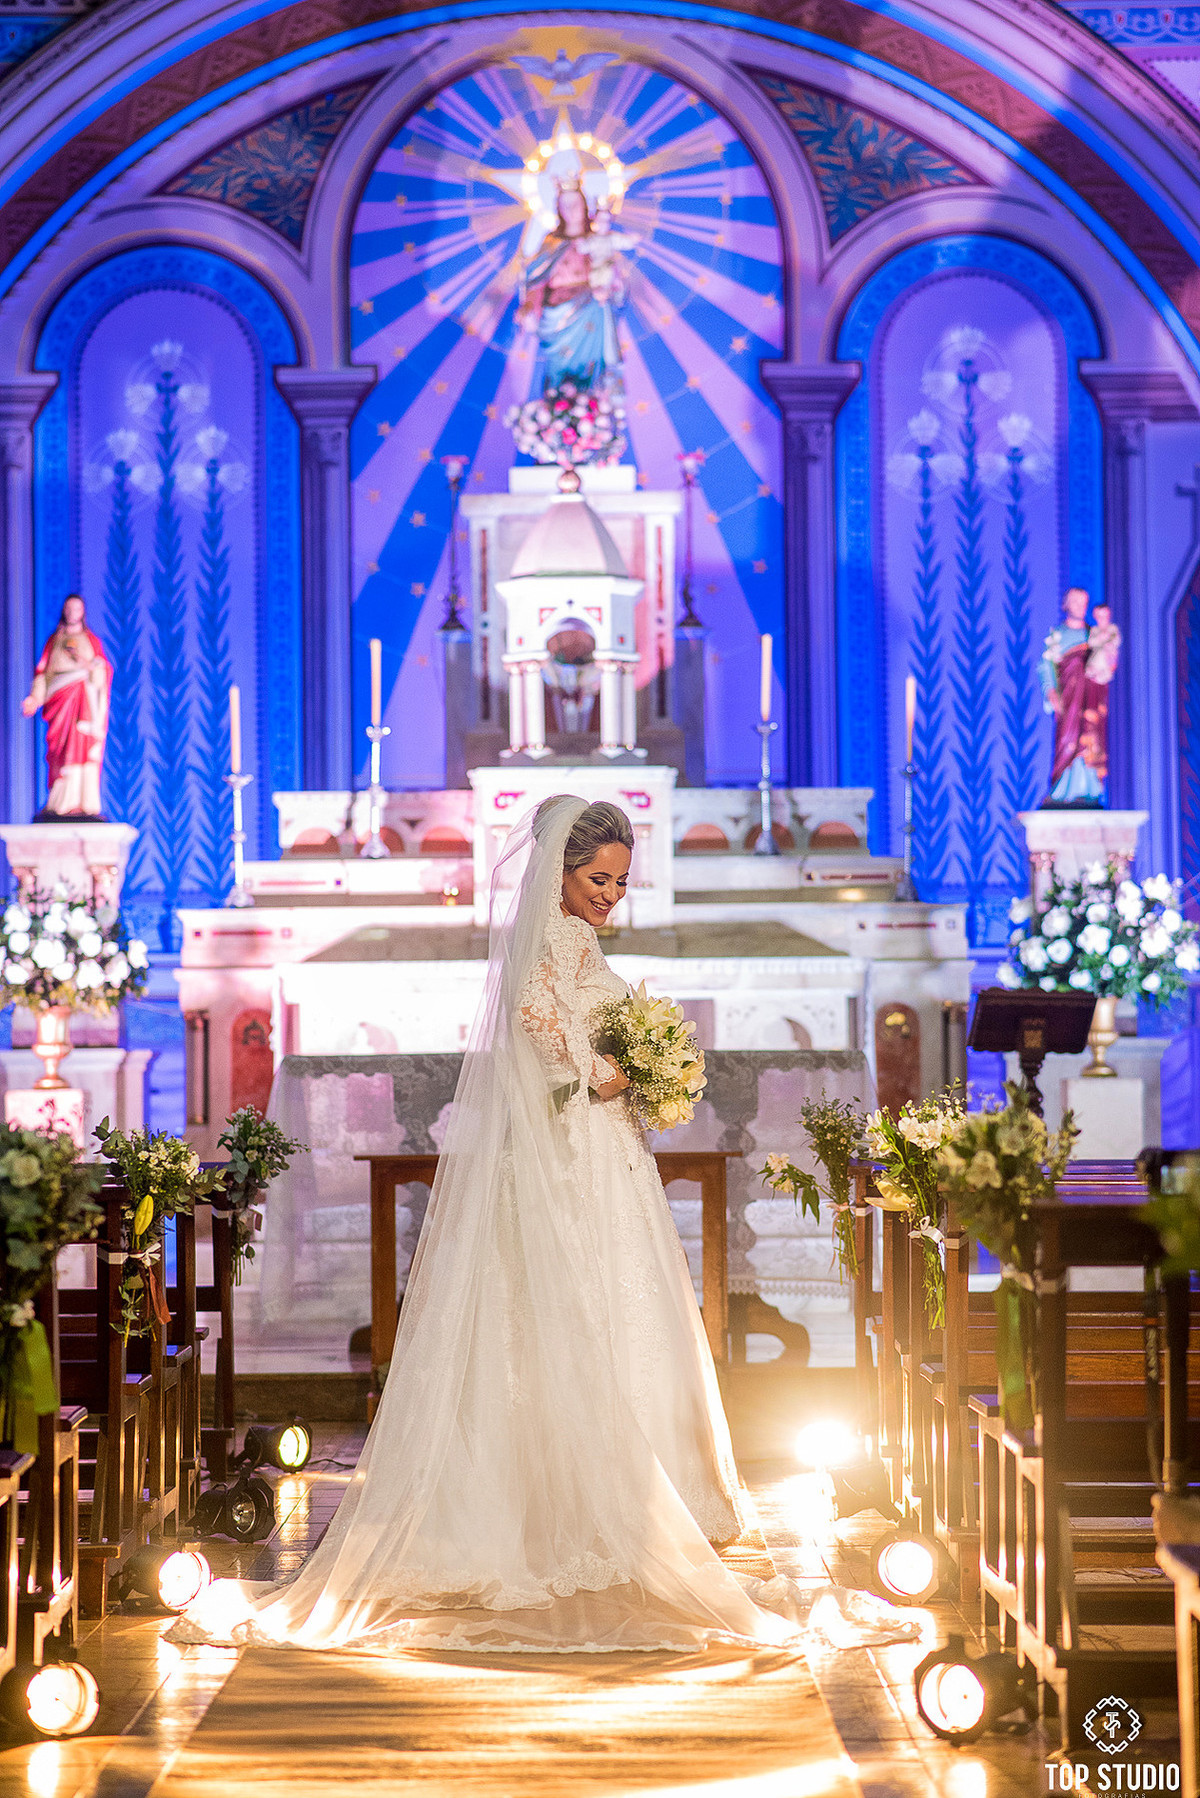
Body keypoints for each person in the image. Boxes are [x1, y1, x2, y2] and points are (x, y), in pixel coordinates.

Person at [174, 796, 912, 1656]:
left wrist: (646, 1073)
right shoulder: (544, 952)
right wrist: (618, 1074)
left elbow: (587, 1050)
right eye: (598, 879)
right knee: (554, 1318)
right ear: (559, 874)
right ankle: (557, 1509)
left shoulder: (585, 946)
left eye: (621, 882)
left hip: (609, 1157)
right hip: (567, 1157)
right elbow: (546, 1051)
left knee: (622, 1313)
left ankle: (634, 1497)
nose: (611, 895)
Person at [517, 182, 624, 395]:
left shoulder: (597, 242)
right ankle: (556, 409)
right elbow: (536, 283)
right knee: (558, 372)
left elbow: (615, 279)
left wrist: (609, 289)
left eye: (575, 203)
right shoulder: (552, 244)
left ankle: (590, 408)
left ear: (584, 206)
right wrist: (529, 306)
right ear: (557, 208)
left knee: (590, 375)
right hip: (557, 318)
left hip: (591, 314)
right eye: (564, 205)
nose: (571, 210)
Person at [22, 596, 112, 819]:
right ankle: (61, 801)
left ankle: (85, 801)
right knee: (61, 751)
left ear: (83, 612)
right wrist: (34, 698)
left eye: (77, 608)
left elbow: (102, 671)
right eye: (69, 608)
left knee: (82, 749)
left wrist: (84, 663)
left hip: (84, 703)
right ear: (64, 611)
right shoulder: (55, 641)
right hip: (60, 703)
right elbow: (43, 673)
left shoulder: (91, 641)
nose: (73, 612)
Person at [1038, 586, 1112, 807]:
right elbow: (1045, 666)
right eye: (1075, 602)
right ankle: (1063, 788)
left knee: (1089, 740)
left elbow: (1106, 663)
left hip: (1090, 700)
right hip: (1069, 700)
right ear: (1066, 605)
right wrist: (1051, 691)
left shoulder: (1094, 635)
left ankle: (1089, 788)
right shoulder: (1057, 636)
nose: (1080, 607)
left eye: (1083, 602)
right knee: (1067, 740)